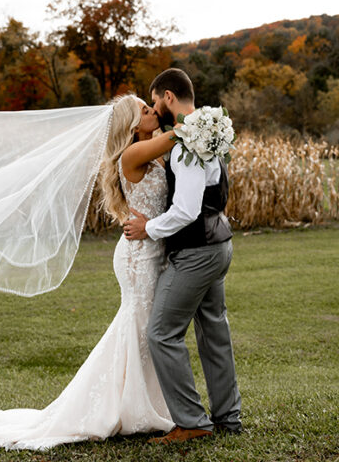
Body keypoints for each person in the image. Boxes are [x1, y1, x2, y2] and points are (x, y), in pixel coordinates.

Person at [0, 94, 180, 450]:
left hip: (149, 250)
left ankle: (144, 404)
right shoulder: (134, 153)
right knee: (140, 326)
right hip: (138, 256)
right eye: (146, 110)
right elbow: (181, 134)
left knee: (142, 327)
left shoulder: (149, 153)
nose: (154, 113)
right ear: (132, 125)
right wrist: (196, 116)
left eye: (152, 107)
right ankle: (129, 408)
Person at [123, 67, 243, 443]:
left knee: (161, 333)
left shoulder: (190, 143)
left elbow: (187, 210)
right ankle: (227, 417)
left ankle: (192, 422)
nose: (154, 108)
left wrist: (149, 229)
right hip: (220, 244)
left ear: (168, 98)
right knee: (214, 333)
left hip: (197, 251)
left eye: (155, 100)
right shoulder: (211, 132)